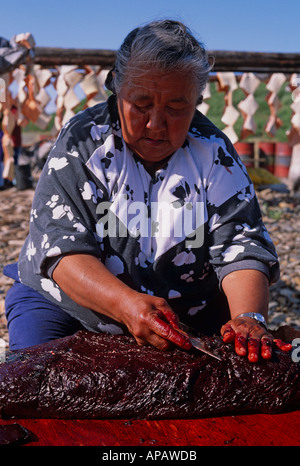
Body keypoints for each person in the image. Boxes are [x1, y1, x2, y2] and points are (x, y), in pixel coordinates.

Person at [4, 20, 291, 362]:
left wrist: (249, 318)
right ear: (116, 86)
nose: (156, 124)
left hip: (185, 311)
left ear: (197, 100)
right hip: (67, 304)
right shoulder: (83, 143)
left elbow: (242, 248)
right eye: (140, 105)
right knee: (32, 380)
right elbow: (61, 250)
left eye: (176, 107)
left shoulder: (214, 152)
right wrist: (124, 304)